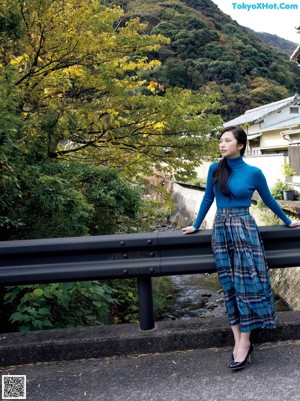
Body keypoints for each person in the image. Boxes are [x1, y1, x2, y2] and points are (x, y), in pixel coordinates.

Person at [182, 126, 300, 371]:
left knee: (247, 285)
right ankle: (237, 339)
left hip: (245, 229)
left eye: (227, 141)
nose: (221, 145)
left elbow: (268, 200)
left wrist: (288, 221)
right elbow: (208, 198)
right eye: (220, 141)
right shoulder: (216, 169)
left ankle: (244, 342)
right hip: (221, 229)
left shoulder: (254, 172)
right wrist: (195, 225)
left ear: (240, 145)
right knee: (229, 285)